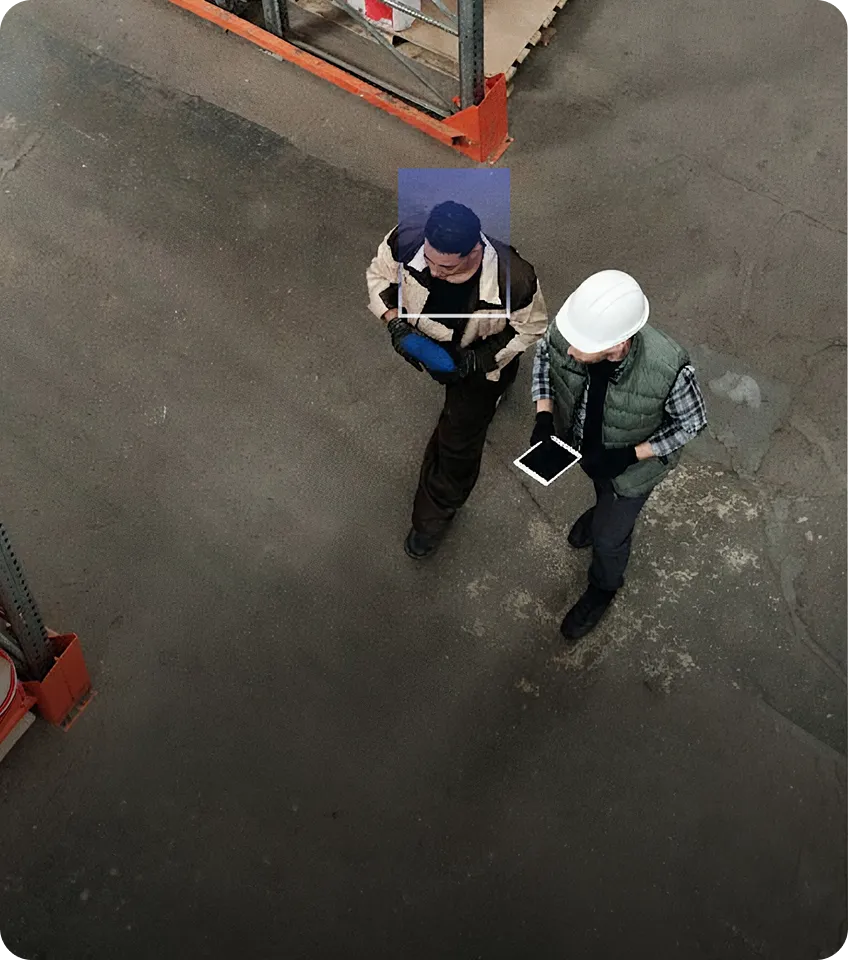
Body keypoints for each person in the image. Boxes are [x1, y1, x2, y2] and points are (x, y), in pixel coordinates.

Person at [530, 269, 707, 642]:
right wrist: (544, 415)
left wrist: (630, 455)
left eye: (580, 348)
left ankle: (603, 589)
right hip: (588, 451)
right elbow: (545, 355)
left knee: (610, 540)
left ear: (617, 344)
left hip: (630, 473)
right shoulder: (573, 331)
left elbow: (692, 422)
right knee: (600, 488)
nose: (570, 350)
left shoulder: (668, 369)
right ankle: (601, 511)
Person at [367, 201, 548, 559]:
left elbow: (531, 328)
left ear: (475, 250)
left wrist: (480, 360)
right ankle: (499, 382)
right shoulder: (408, 238)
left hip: (476, 366)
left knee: (457, 445)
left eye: (446, 266)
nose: (433, 272)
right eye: (429, 261)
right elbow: (379, 275)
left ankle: (432, 518)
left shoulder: (516, 279)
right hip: (428, 345)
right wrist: (394, 322)